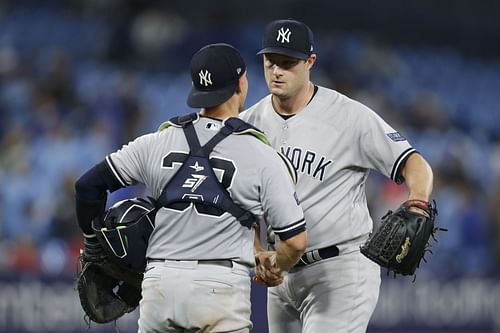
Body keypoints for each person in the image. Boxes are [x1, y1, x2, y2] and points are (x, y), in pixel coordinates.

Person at [74, 43, 308, 333]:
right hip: (219, 287)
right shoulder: (261, 154)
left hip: (160, 285)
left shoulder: (157, 141)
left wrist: (92, 243)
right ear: (241, 83)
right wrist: (276, 266)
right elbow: (296, 241)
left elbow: (88, 186)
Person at [241, 19, 435, 333]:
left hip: (341, 268)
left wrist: (417, 204)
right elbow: (238, 199)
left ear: (310, 62)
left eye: (288, 63)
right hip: (281, 272)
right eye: (270, 62)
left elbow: (415, 164)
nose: (277, 71)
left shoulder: (350, 116)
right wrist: (257, 251)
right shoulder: (248, 123)